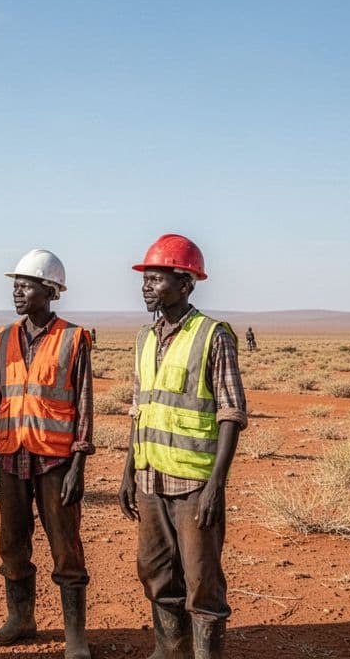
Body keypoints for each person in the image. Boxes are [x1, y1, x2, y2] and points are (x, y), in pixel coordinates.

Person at [117, 234, 247, 659]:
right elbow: (141, 410)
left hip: (194, 482)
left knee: (201, 578)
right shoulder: (144, 338)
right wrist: (128, 473)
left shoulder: (213, 336)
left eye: (156, 279)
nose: (146, 287)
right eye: (145, 279)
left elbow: (231, 414)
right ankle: (170, 649)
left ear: (186, 283)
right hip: (150, 479)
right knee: (154, 570)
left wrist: (215, 486)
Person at [0, 249, 95, 659]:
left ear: (49, 291)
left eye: (25, 285)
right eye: (15, 284)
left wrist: (78, 465)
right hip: (10, 457)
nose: (17, 291)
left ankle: (75, 637)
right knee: (12, 543)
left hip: (54, 461)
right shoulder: (3, 338)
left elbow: (83, 404)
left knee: (65, 545)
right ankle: (21, 620)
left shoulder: (73, 338)